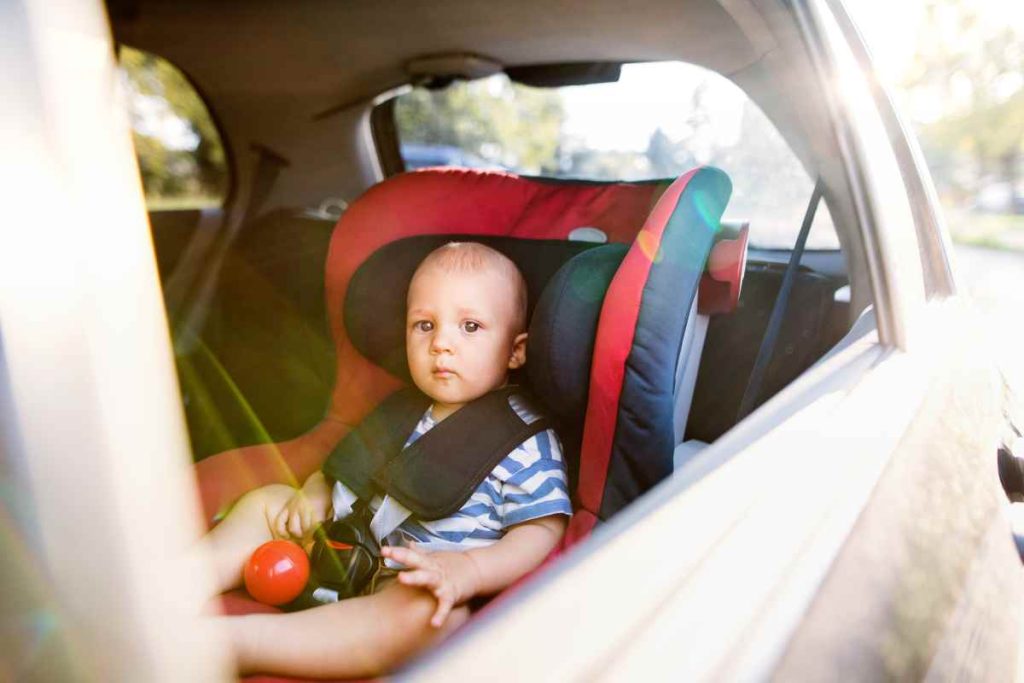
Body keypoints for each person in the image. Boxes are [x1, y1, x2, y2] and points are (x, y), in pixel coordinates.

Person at [202, 242, 572, 678]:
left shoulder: (526, 443)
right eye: (424, 325)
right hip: (339, 545)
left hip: (410, 578)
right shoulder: (400, 408)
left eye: (470, 326)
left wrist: (468, 571)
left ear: (515, 350)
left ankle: (241, 644)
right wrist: (314, 492)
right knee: (269, 499)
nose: (441, 344)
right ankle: (176, 587)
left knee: (437, 614)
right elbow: (345, 467)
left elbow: (542, 530)